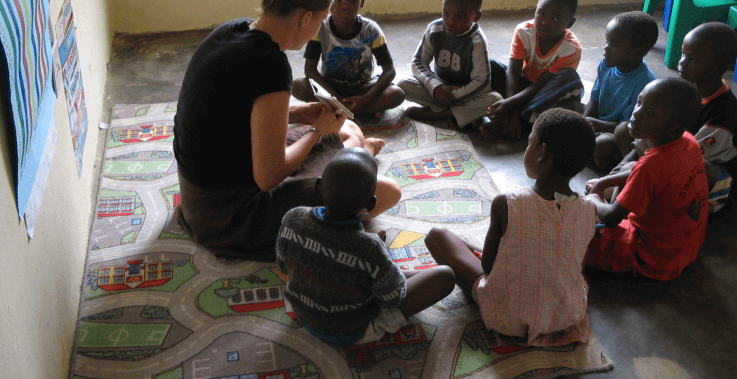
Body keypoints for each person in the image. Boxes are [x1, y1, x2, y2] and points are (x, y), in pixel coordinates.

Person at [173, 0, 401, 261]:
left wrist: (297, 113)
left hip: (197, 198)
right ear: (306, 17)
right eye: (319, 22)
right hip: (229, 217)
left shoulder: (232, 30)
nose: (317, 30)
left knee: (348, 130)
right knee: (388, 191)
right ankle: (360, 158)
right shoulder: (270, 64)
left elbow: (231, 109)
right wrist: (318, 131)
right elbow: (269, 177)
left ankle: (358, 155)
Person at [425, 109, 598, 346]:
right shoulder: (589, 211)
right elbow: (578, 267)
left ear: (542, 153)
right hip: (565, 316)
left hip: (508, 318)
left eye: (530, 143)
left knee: (438, 236)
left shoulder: (507, 203)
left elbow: (489, 267)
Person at [276, 147, 455, 346]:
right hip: (349, 332)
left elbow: (284, 266)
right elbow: (393, 298)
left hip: (303, 313)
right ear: (371, 204)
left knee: (374, 270)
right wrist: (379, 253)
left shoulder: (293, 217)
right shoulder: (369, 249)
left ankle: (385, 272)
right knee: (445, 276)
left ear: (318, 186)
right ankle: (386, 273)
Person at [585, 78, 709, 281]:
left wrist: (592, 201)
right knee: (626, 168)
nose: (637, 114)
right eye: (639, 102)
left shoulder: (652, 166)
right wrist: (603, 182)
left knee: (571, 232)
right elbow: (645, 173)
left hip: (649, 258)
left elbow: (610, 218)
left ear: (673, 130)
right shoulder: (688, 141)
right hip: (683, 250)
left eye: (651, 114)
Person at [292, 0, 405, 117]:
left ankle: (344, 110)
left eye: (352, 0)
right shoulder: (321, 28)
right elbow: (310, 70)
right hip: (330, 86)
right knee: (298, 86)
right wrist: (334, 97)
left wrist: (366, 98)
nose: (345, 6)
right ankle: (357, 110)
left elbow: (389, 71)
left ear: (361, 2)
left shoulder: (371, 30)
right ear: (329, 1)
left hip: (363, 87)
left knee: (396, 94)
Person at [483, 0, 584, 140]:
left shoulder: (571, 48)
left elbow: (542, 84)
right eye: (541, 13)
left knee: (569, 77)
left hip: (546, 94)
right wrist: (512, 110)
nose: (545, 22)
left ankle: (510, 121)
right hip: (523, 87)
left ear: (569, 23)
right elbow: (513, 72)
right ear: (535, 10)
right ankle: (522, 120)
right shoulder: (524, 32)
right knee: (490, 66)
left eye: (556, 19)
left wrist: (509, 106)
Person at [398, 0, 501, 127]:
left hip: (464, 94)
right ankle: (462, 115)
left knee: (494, 99)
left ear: (476, 16)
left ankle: (437, 115)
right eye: (446, 13)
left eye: (460, 16)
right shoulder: (435, 29)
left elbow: (482, 82)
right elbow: (418, 62)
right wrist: (436, 87)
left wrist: (453, 96)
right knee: (402, 84)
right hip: (439, 89)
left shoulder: (476, 40)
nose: (451, 21)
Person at [676, 22, 737, 212]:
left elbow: (686, 157)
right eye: (683, 53)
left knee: (697, 165)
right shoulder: (692, 89)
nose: (682, 61)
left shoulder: (722, 116)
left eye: (692, 59)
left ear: (717, 69)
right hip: (683, 159)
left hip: (720, 187)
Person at [584, 11, 658, 170]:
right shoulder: (605, 65)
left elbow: (628, 127)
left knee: (602, 144)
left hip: (618, 134)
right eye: (606, 41)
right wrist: (582, 123)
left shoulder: (645, 83)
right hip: (598, 124)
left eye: (614, 44)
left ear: (638, 53)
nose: (605, 48)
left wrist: (594, 124)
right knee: (565, 112)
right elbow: (594, 100)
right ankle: (598, 156)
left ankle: (616, 159)